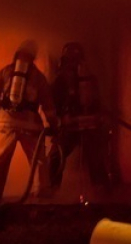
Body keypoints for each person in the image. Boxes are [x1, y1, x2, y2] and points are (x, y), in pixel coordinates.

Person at [0, 40, 58, 201]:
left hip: (6, 121)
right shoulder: (38, 77)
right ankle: (42, 192)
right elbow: (48, 103)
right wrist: (53, 124)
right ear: (33, 57)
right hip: (30, 124)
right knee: (38, 160)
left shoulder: (6, 71)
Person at [47, 42, 110, 193]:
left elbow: (53, 102)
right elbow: (98, 101)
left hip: (70, 125)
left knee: (56, 158)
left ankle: (51, 190)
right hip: (90, 125)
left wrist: (58, 122)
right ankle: (102, 192)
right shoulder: (90, 77)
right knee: (96, 160)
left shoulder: (60, 78)